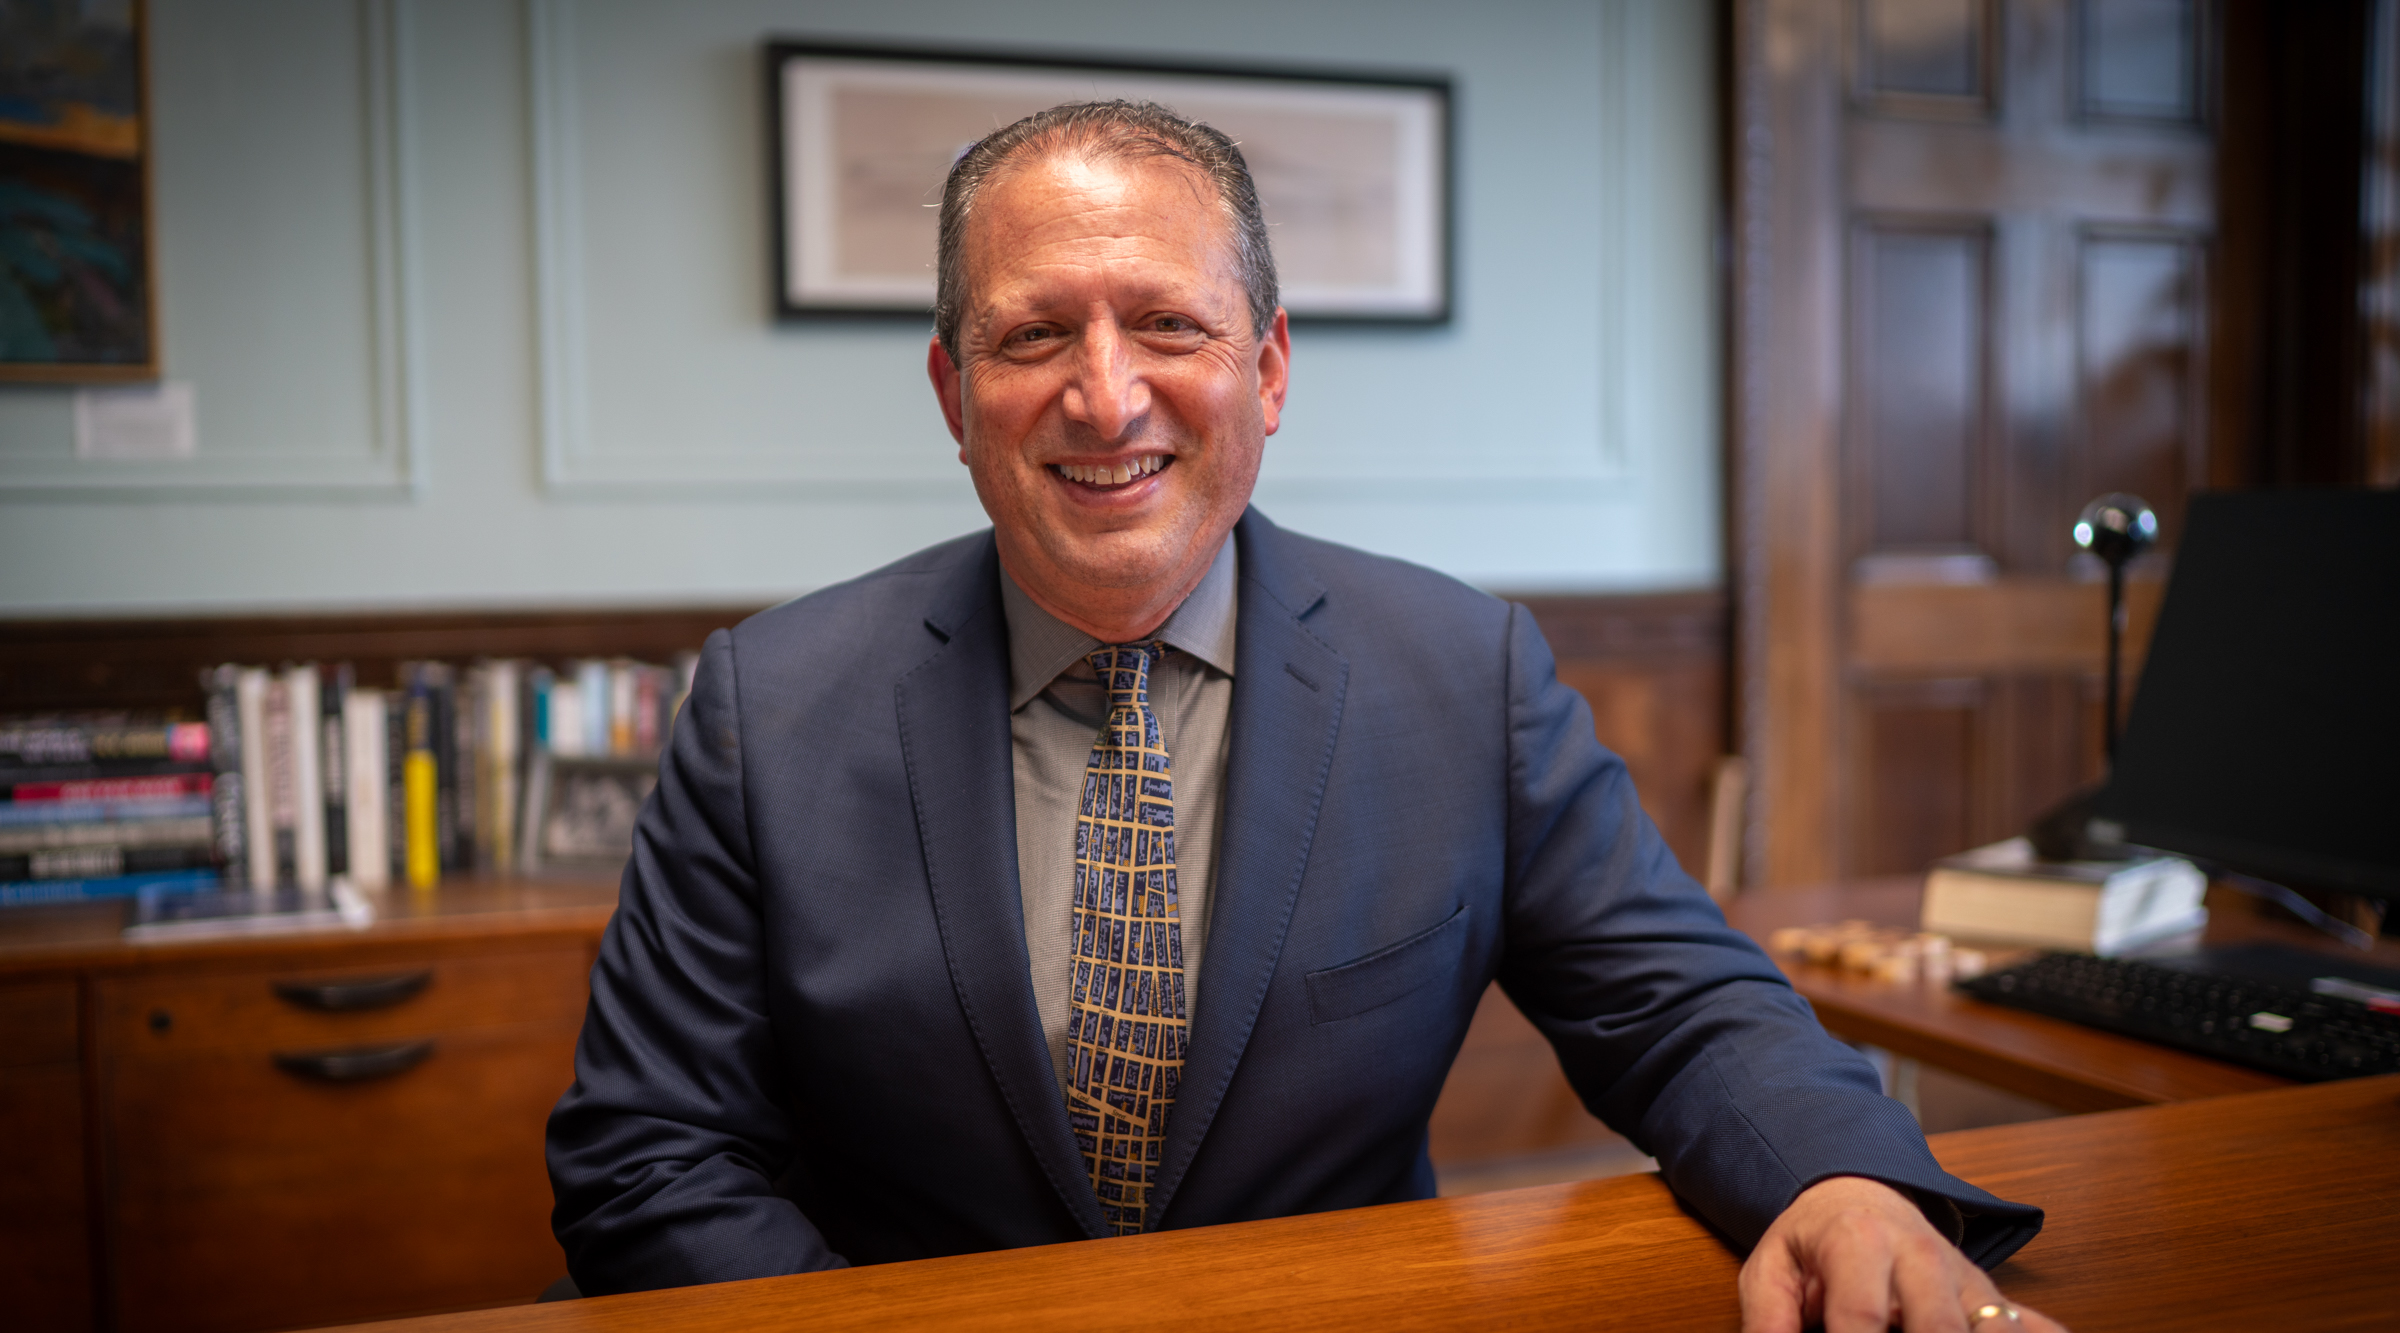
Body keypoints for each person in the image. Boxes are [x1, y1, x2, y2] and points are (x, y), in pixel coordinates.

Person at [547, 101, 2061, 1332]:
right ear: (953, 395)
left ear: (1267, 371)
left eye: (1167, 325)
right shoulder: (768, 707)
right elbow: (649, 1152)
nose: (1105, 394)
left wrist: (1842, 1185)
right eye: (1030, 338)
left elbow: (1682, 1007)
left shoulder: (1463, 675)